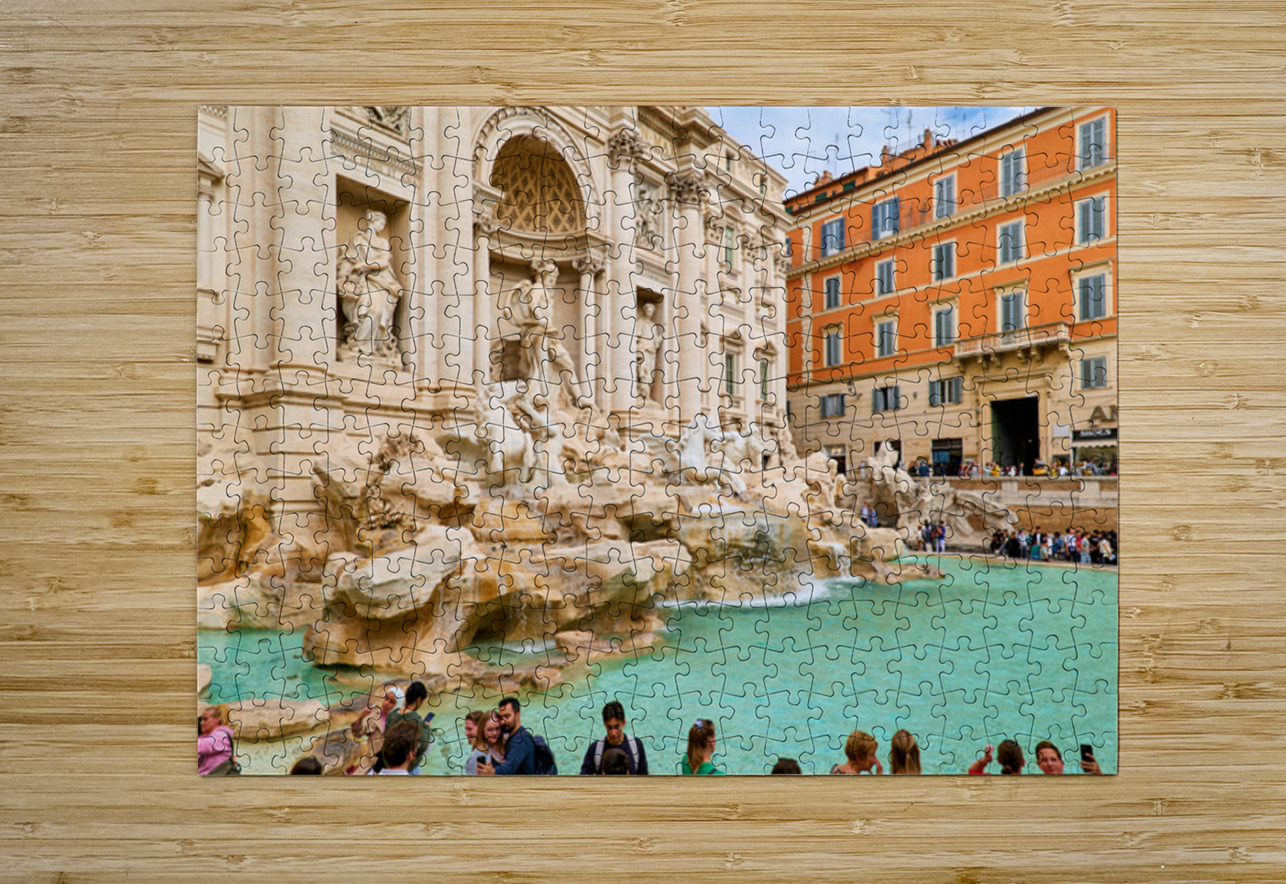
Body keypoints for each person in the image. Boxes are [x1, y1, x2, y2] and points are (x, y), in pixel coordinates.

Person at [580, 700, 650, 775]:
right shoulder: (595, 749)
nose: (613, 732)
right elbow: (583, 779)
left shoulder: (636, 746)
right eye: (609, 727)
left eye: (617, 726)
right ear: (604, 724)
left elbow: (644, 778)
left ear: (623, 722)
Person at [349, 684, 403, 775]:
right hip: (368, 762)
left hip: (387, 767)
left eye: (391, 702)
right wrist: (361, 716)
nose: (386, 703)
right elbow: (357, 734)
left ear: (397, 706)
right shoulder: (374, 715)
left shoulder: (399, 722)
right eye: (386, 699)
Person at [477, 697, 540, 775]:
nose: (503, 721)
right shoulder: (513, 737)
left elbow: (508, 769)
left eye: (507, 716)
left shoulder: (520, 740)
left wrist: (493, 771)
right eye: (501, 717)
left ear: (517, 715)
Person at [385, 681, 432, 774]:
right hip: (408, 768)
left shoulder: (392, 715)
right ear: (419, 700)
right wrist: (426, 727)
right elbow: (423, 746)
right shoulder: (416, 720)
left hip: (390, 765)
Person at [198, 706, 237, 775]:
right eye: (201, 720)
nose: (201, 723)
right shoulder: (207, 737)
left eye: (205, 719)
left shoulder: (222, 736)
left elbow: (201, 746)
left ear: (217, 720)